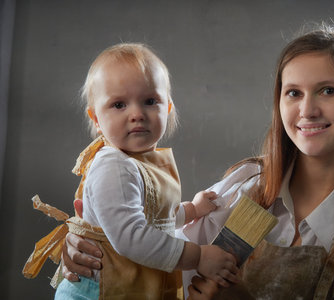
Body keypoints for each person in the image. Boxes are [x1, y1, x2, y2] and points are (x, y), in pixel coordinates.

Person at [62, 25, 334, 300]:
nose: (307, 110)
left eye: (328, 90)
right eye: (293, 92)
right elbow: (156, 247)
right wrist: (93, 251)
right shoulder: (246, 187)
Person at [26, 43, 239, 300]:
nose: (137, 113)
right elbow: (132, 237)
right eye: (119, 105)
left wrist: (191, 210)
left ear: (168, 109)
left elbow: (155, 217)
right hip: (100, 291)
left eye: (150, 101)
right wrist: (198, 256)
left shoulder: (144, 162)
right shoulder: (113, 166)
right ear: (96, 119)